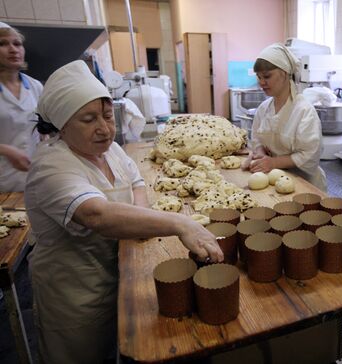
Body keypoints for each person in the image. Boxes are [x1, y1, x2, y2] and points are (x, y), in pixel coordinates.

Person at [25, 60, 224, 364]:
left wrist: (141, 220)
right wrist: (178, 223)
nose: (104, 128)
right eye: (88, 119)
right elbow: (97, 215)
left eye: (107, 116)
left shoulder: (110, 150)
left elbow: (137, 181)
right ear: (62, 126)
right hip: (75, 292)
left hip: (119, 275)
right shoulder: (52, 166)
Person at [241, 43, 327, 191]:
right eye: (259, 77)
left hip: (304, 182)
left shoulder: (303, 111)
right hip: (271, 180)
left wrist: (274, 163)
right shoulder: (263, 109)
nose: (261, 83)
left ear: (285, 73)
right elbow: (256, 138)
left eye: (267, 76)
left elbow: (309, 153)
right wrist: (261, 154)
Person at [0, 21, 43, 192]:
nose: (13, 49)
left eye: (17, 44)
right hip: (3, 181)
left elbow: (44, 127)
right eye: (2, 44)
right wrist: (6, 150)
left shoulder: (35, 87)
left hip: (34, 176)